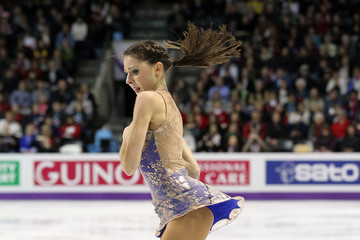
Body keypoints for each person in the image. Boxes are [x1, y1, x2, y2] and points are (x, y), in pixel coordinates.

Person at [119, 23, 244, 240]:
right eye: (127, 73)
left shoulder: (146, 99)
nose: (129, 80)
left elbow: (129, 166)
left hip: (182, 207)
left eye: (135, 71)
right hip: (193, 204)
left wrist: (127, 133)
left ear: (158, 68)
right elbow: (193, 170)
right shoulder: (172, 108)